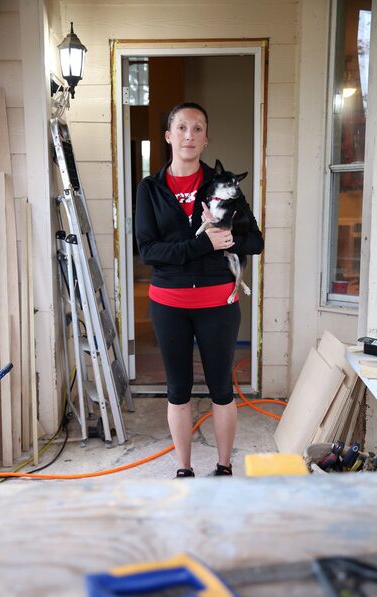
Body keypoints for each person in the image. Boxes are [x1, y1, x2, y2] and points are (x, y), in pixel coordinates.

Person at [135, 102, 264, 478]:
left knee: (222, 388)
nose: (189, 135)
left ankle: (224, 468)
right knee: (178, 390)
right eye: (181, 127)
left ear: (206, 139)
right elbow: (149, 250)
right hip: (168, 303)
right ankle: (184, 469)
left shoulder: (223, 186)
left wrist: (226, 240)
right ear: (168, 136)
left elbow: (254, 241)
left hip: (217, 304)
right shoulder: (150, 188)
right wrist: (202, 245)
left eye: (197, 128)